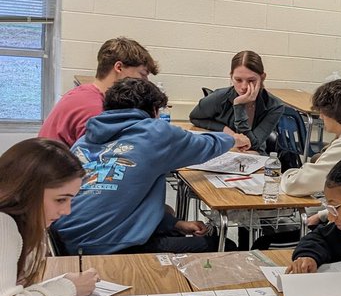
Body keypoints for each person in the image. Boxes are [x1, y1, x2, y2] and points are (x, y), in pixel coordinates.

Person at [55, 79, 232, 254]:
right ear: (154, 110)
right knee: (225, 246)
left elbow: (115, 199)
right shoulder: (155, 132)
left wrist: (174, 224)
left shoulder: (84, 139)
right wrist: (234, 138)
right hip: (106, 247)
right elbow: (207, 145)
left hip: (65, 241)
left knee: (169, 214)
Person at [0, 139, 98, 296]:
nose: (67, 211)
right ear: (25, 190)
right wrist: (69, 287)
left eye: (71, 200)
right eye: (60, 199)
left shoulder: (22, 222)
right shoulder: (3, 225)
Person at [40, 37, 159, 147]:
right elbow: (104, 161)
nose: (145, 82)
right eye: (142, 74)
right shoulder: (94, 110)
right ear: (119, 67)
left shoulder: (84, 92)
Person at [190, 51, 282, 153]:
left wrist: (239, 106)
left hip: (254, 156)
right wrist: (226, 131)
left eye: (251, 80)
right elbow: (194, 117)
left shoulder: (275, 106)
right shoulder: (220, 97)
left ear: (262, 77)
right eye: (238, 80)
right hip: (224, 151)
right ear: (231, 77)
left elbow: (251, 144)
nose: (244, 87)